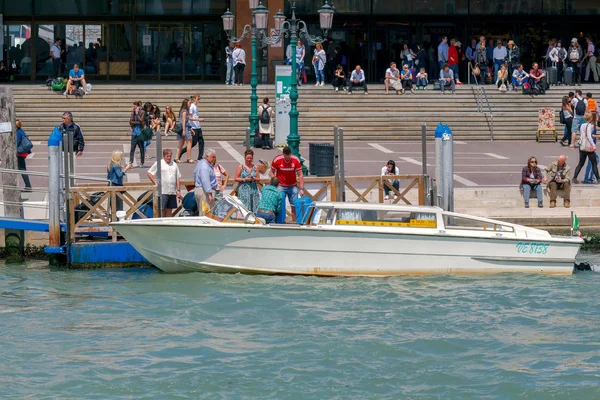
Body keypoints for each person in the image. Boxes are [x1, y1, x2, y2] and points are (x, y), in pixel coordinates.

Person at [271, 146, 305, 221]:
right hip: (280, 186)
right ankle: (280, 222)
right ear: (283, 154)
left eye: (288, 157)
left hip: (292, 186)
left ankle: (295, 222)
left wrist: (302, 188)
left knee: (294, 206)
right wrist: (274, 183)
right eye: (286, 158)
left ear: (291, 154)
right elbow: (271, 172)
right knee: (280, 206)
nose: (287, 159)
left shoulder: (295, 160)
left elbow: (300, 175)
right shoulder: (277, 159)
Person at [147, 149, 182, 217]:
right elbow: (149, 173)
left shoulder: (174, 164)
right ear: (164, 156)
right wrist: (155, 183)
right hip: (163, 191)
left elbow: (178, 177)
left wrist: (178, 190)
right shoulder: (159, 163)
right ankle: (161, 223)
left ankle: (169, 224)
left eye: (170, 156)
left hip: (172, 191)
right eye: (167, 156)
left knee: (170, 209)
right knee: (162, 209)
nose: (169, 158)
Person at [572, 113, 600, 187]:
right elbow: (589, 136)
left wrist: (596, 136)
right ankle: (598, 179)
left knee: (581, 163)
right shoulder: (590, 125)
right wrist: (593, 145)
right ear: (591, 118)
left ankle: (574, 178)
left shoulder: (582, 125)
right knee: (594, 163)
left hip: (582, 146)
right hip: (588, 147)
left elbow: (584, 135)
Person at [193, 149, 217, 215]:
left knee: (203, 212)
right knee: (206, 212)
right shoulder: (205, 166)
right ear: (207, 156)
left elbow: (195, 174)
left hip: (200, 189)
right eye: (213, 157)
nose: (214, 159)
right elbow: (205, 180)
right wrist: (209, 194)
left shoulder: (200, 163)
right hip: (205, 192)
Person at [183, 94, 204, 160]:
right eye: (198, 99)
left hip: (198, 126)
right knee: (193, 143)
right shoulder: (192, 107)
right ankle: (181, 152)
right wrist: (199, 120)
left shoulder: (196, 106)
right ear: (194, 99)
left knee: (201, 142)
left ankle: (200, 157)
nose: (199, 100)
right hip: (194, 127)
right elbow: (190, 118)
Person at [175, 98, 194, 164]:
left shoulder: (182, 111)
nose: (190, 104)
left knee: (181, 144)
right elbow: (183, 121)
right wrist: (184, 130)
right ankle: (189, 158)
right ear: (186, 104)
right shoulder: (185, 111)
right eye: (189, 103)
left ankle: (176, 158)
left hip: (182, 128)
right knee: (189, 142)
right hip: (184, 128)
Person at [15, 119, 32, 191]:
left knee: (22, 169)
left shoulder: (18, 132)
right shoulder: (21, 131)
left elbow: (17, 142)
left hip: (20, 152)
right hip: (23, 152)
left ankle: (28, 186)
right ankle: (28, 186)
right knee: (22, 168)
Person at [128, 101, 145, 167]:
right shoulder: (132, 113)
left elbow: (141, 121)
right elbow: (130, 122)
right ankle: (131, 162)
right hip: (134, 133)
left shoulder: (142, 112)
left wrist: (137, 114)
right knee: (132, 148)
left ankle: (142, 162)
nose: (133, 107)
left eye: (134, 106)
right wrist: (137, 122)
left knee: (141, 148)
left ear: (137, 107)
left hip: (140, 133)